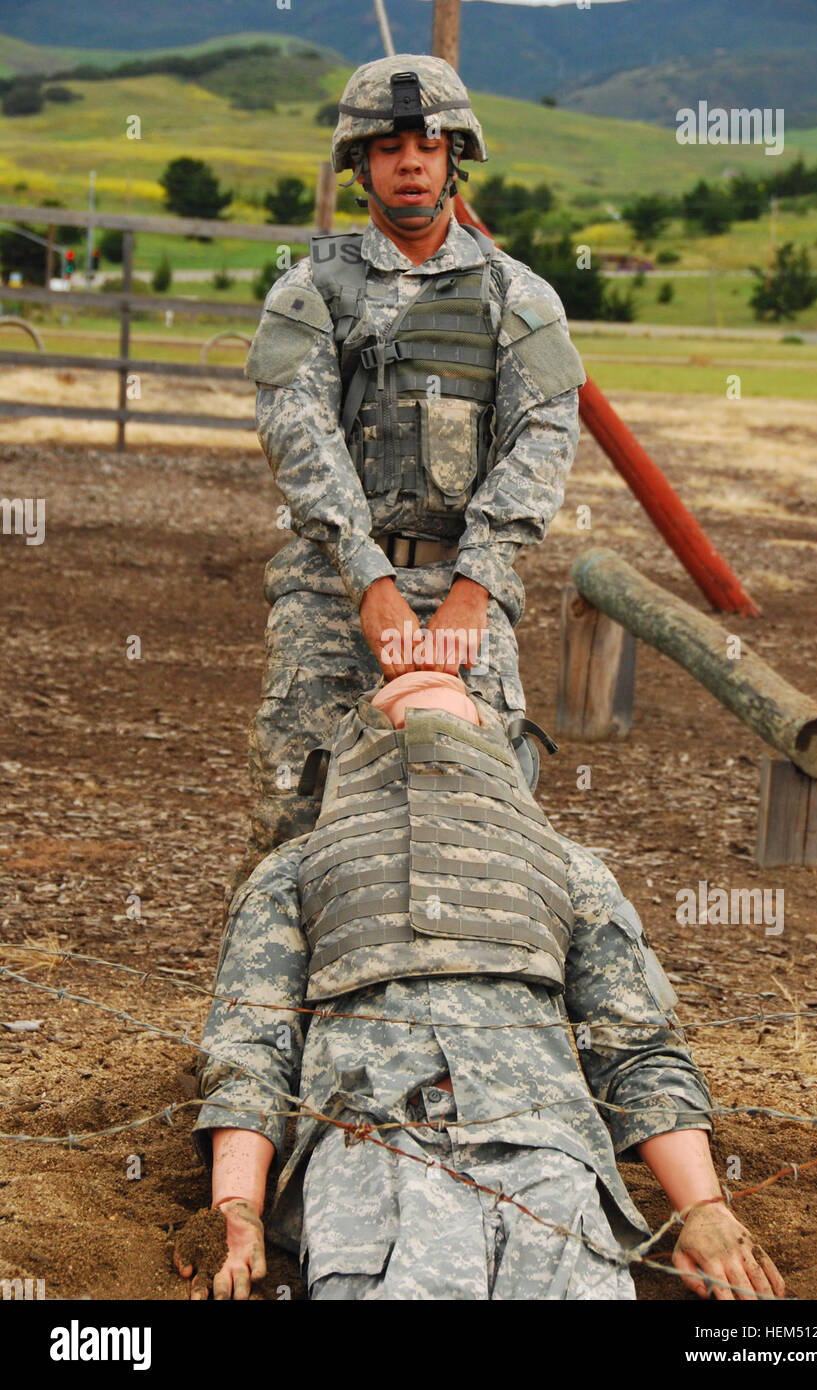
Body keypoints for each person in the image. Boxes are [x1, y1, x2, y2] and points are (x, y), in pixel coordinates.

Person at [178, 675, 785, 1301]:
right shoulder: (293, 870)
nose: (424, 681)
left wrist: (702, 1208)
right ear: (362, 745)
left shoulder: (567, 868)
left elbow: (635, 1047)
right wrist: (237, 1206)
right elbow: (253, 1048)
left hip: (546, 1147)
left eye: (452, 699)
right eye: (402, 697)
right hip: (374, 1144)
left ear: (495, 746)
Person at [234, 52, 587, 897]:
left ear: (455, 155)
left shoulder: (516, 295)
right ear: (359, 165)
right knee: (295, 806)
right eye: (388, 147)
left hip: (466, 586)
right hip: (333, 586)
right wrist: (367, 581)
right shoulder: (309, 291)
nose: (411, 162)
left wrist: (476, 587)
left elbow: (543, 437)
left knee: (493, 801)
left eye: (428, 143)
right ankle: (272, 1014)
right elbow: (299, 439)